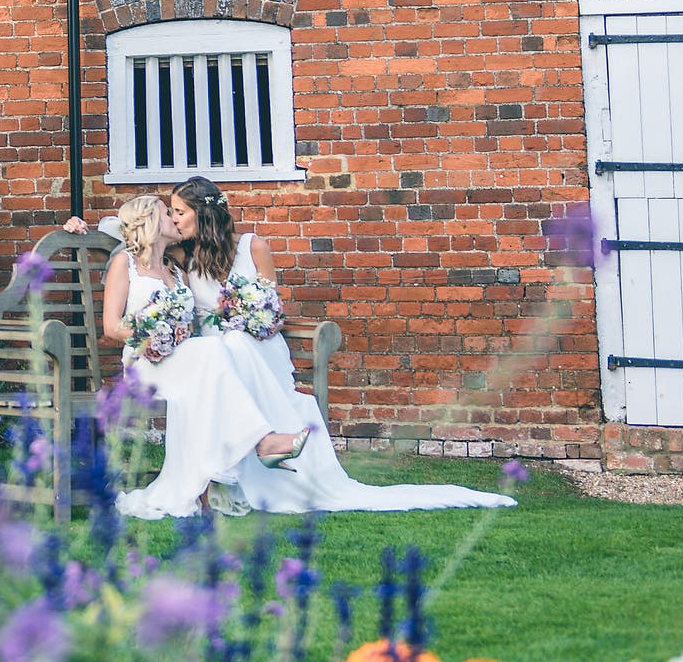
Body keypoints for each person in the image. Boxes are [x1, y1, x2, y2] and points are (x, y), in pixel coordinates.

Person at [65, 179, 515, 518]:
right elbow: (117, 276)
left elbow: (263, 304)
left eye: (179, 212)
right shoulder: (148, 258)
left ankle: (238, 465)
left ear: (202, 213)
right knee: (219, 352)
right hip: (158, 359)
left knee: (225, 349)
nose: (174, 219)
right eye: (169, 213)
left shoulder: (178, 265)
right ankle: (262, 443)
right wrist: (80, 226)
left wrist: (231, 319)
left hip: (212, 354)